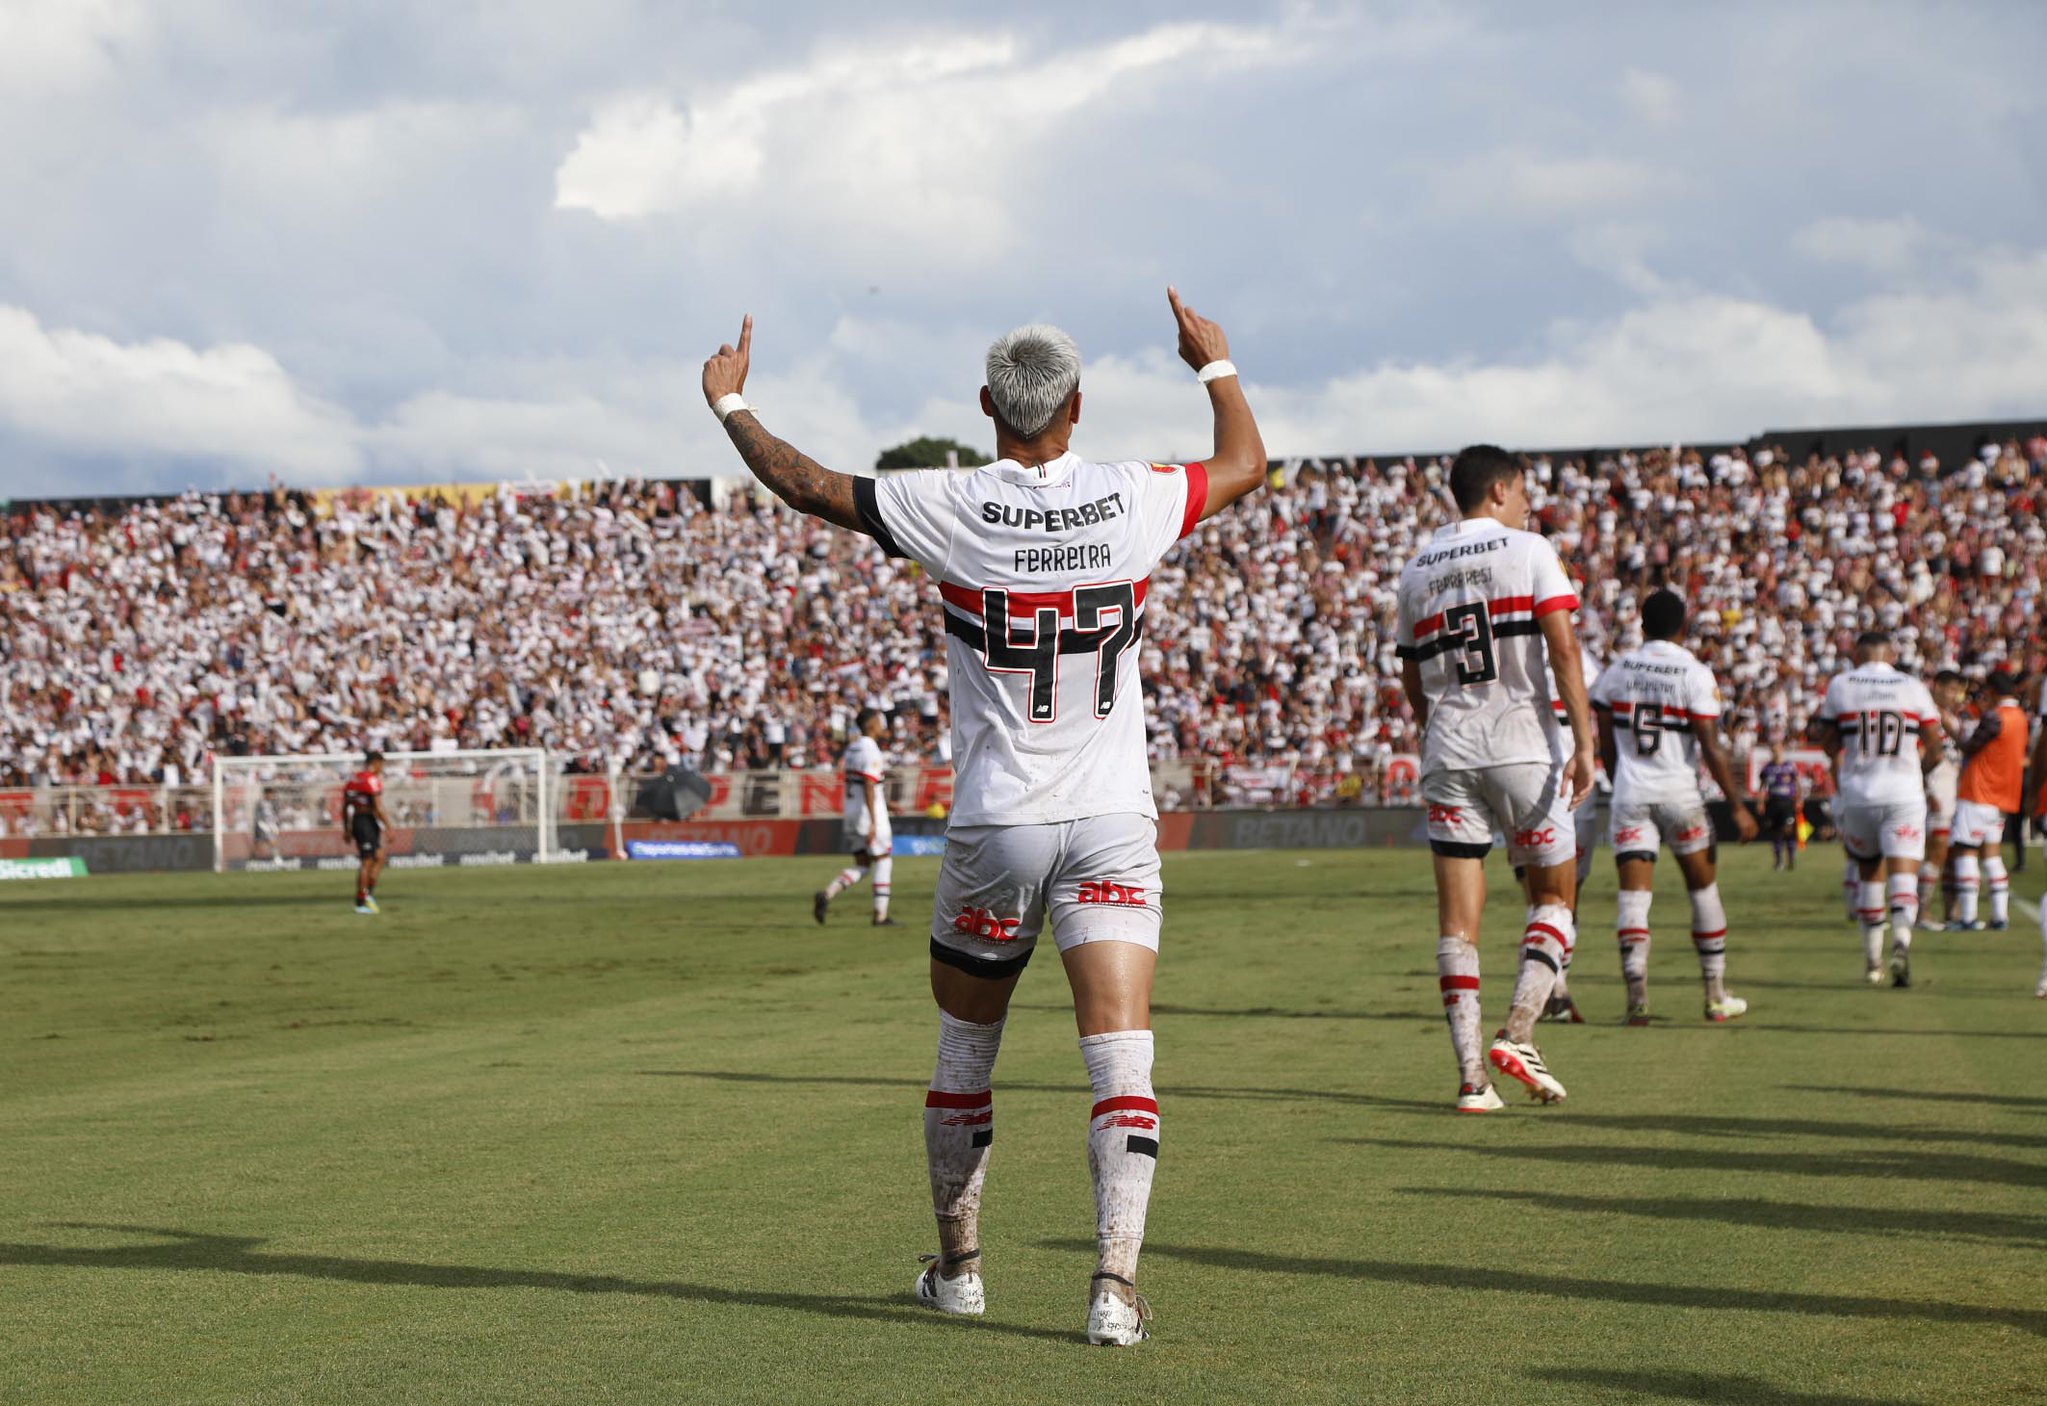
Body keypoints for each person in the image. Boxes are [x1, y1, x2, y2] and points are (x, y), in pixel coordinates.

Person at [700, 289, 1267, 1347]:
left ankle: (959, 1271)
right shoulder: (1133, 496)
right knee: (1121, 1059)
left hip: (997, 818)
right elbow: (1244, 463)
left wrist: (731, 405)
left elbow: (805, 484)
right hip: (1110, 814)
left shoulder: (949, 503)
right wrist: (1214, 365)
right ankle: (1113, 1288)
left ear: (984, 405)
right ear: (1077, 406)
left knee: (966, 1047)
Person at [1395, 445, 1595, 1111]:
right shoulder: (1528, 549)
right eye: (1524, 493)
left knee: (1457, 924)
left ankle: (1471, 1079)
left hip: (1449, 750)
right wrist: (1585, 742)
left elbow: (1410, 672)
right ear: (1500, 489)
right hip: (1522, 746)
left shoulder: (1417, 567)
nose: (1529, 506)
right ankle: (1519, 1032)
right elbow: (1563, 647)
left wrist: (1432, 727)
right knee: (1554, 897)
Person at [1590, 589, 1760, 1026]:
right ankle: (1715, 994)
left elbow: (1605, 742)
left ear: (1642, 624)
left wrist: (1622, 779)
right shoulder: (1693, 672)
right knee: (1703, 890)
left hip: (1631, 795)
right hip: (1680, 796)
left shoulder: (1617, 671)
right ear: (1683, 627)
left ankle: (1637, 996)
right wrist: (1737, 806)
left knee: (1633, 898)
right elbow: (1710, 746)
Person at [1813, 635, 1942, 985]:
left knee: (1869, 872)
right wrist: (1918, 774)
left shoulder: (1842, 685)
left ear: (1857, 655)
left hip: (1859, 794)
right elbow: (1936, 748)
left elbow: (1828, 743)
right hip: (1904, 793)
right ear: (1892, 654)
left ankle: (1872, 964)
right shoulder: (1912, 686)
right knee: (1904, 875)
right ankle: (1901, 940)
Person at [1540, 641, 1604, 1024]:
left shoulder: (1508, 645)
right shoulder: (1580, 656)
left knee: (1540, 890)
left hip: (1526, 769)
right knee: (1567, 891)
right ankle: (1555, 988)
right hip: (1570, 774)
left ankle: (1553, 987)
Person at [1949, 670, 2030, 932]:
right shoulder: (2020, 717)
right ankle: (1999, 917)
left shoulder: (1996, 716)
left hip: (1979, 790)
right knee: (1992, 856)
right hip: (2003, 795)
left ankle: (1968, 917)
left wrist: (1952, 730)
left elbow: (1970, 747)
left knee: (1966, 851)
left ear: (1992, 692)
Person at [815, 707, 897, 927]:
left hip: (851, 812)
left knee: (862, 864)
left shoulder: (852, 748)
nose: (882, 725)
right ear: (871, 725)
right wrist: (873, 821)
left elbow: (863, 784)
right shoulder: (871, 750)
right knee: (883, 860)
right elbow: (869, 785)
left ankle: (827, 893)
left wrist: (887, 803)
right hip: (867, 816)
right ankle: (880, 916)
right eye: (879, 721)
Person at [1920, 670, 1968, 927]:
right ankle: (1922, 912)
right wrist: (1927, 791)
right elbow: (1921, 754)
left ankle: (1952, 912)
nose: (1955, 696)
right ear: (1937, 687)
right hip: (1937, 790)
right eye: (1951, 690)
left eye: (1958, 691)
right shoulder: (1926, 714)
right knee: (1936, 852)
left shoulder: (1951, 718)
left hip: (1953, 791)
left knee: (1951, 854)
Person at [340, 752, 388, 914]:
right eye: (381, 764)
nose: (382, 768)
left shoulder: (353, 779)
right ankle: (361, 902)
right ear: (375, 763)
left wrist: (347, 827)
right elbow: (377, 808)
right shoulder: (371, 780)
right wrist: (389, 827)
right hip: (365, 822)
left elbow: (345, 806)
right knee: (367, 861)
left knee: (380, 857)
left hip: (360, 821)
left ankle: (368, 895)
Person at [1757, 754, 1803, 871]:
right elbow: (1762, 786)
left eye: (1778, 748)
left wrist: (1799, 799)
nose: (1776, 751)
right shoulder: (1767, 768)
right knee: (1775, 832)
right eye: (1773, 749)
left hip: (1787, 802)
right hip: (1773, 802)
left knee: (1788, 830)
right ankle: (1778, 861)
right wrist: (1760, 802)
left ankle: (1791, 858)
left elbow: (1797, 783)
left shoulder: (1789, 766)